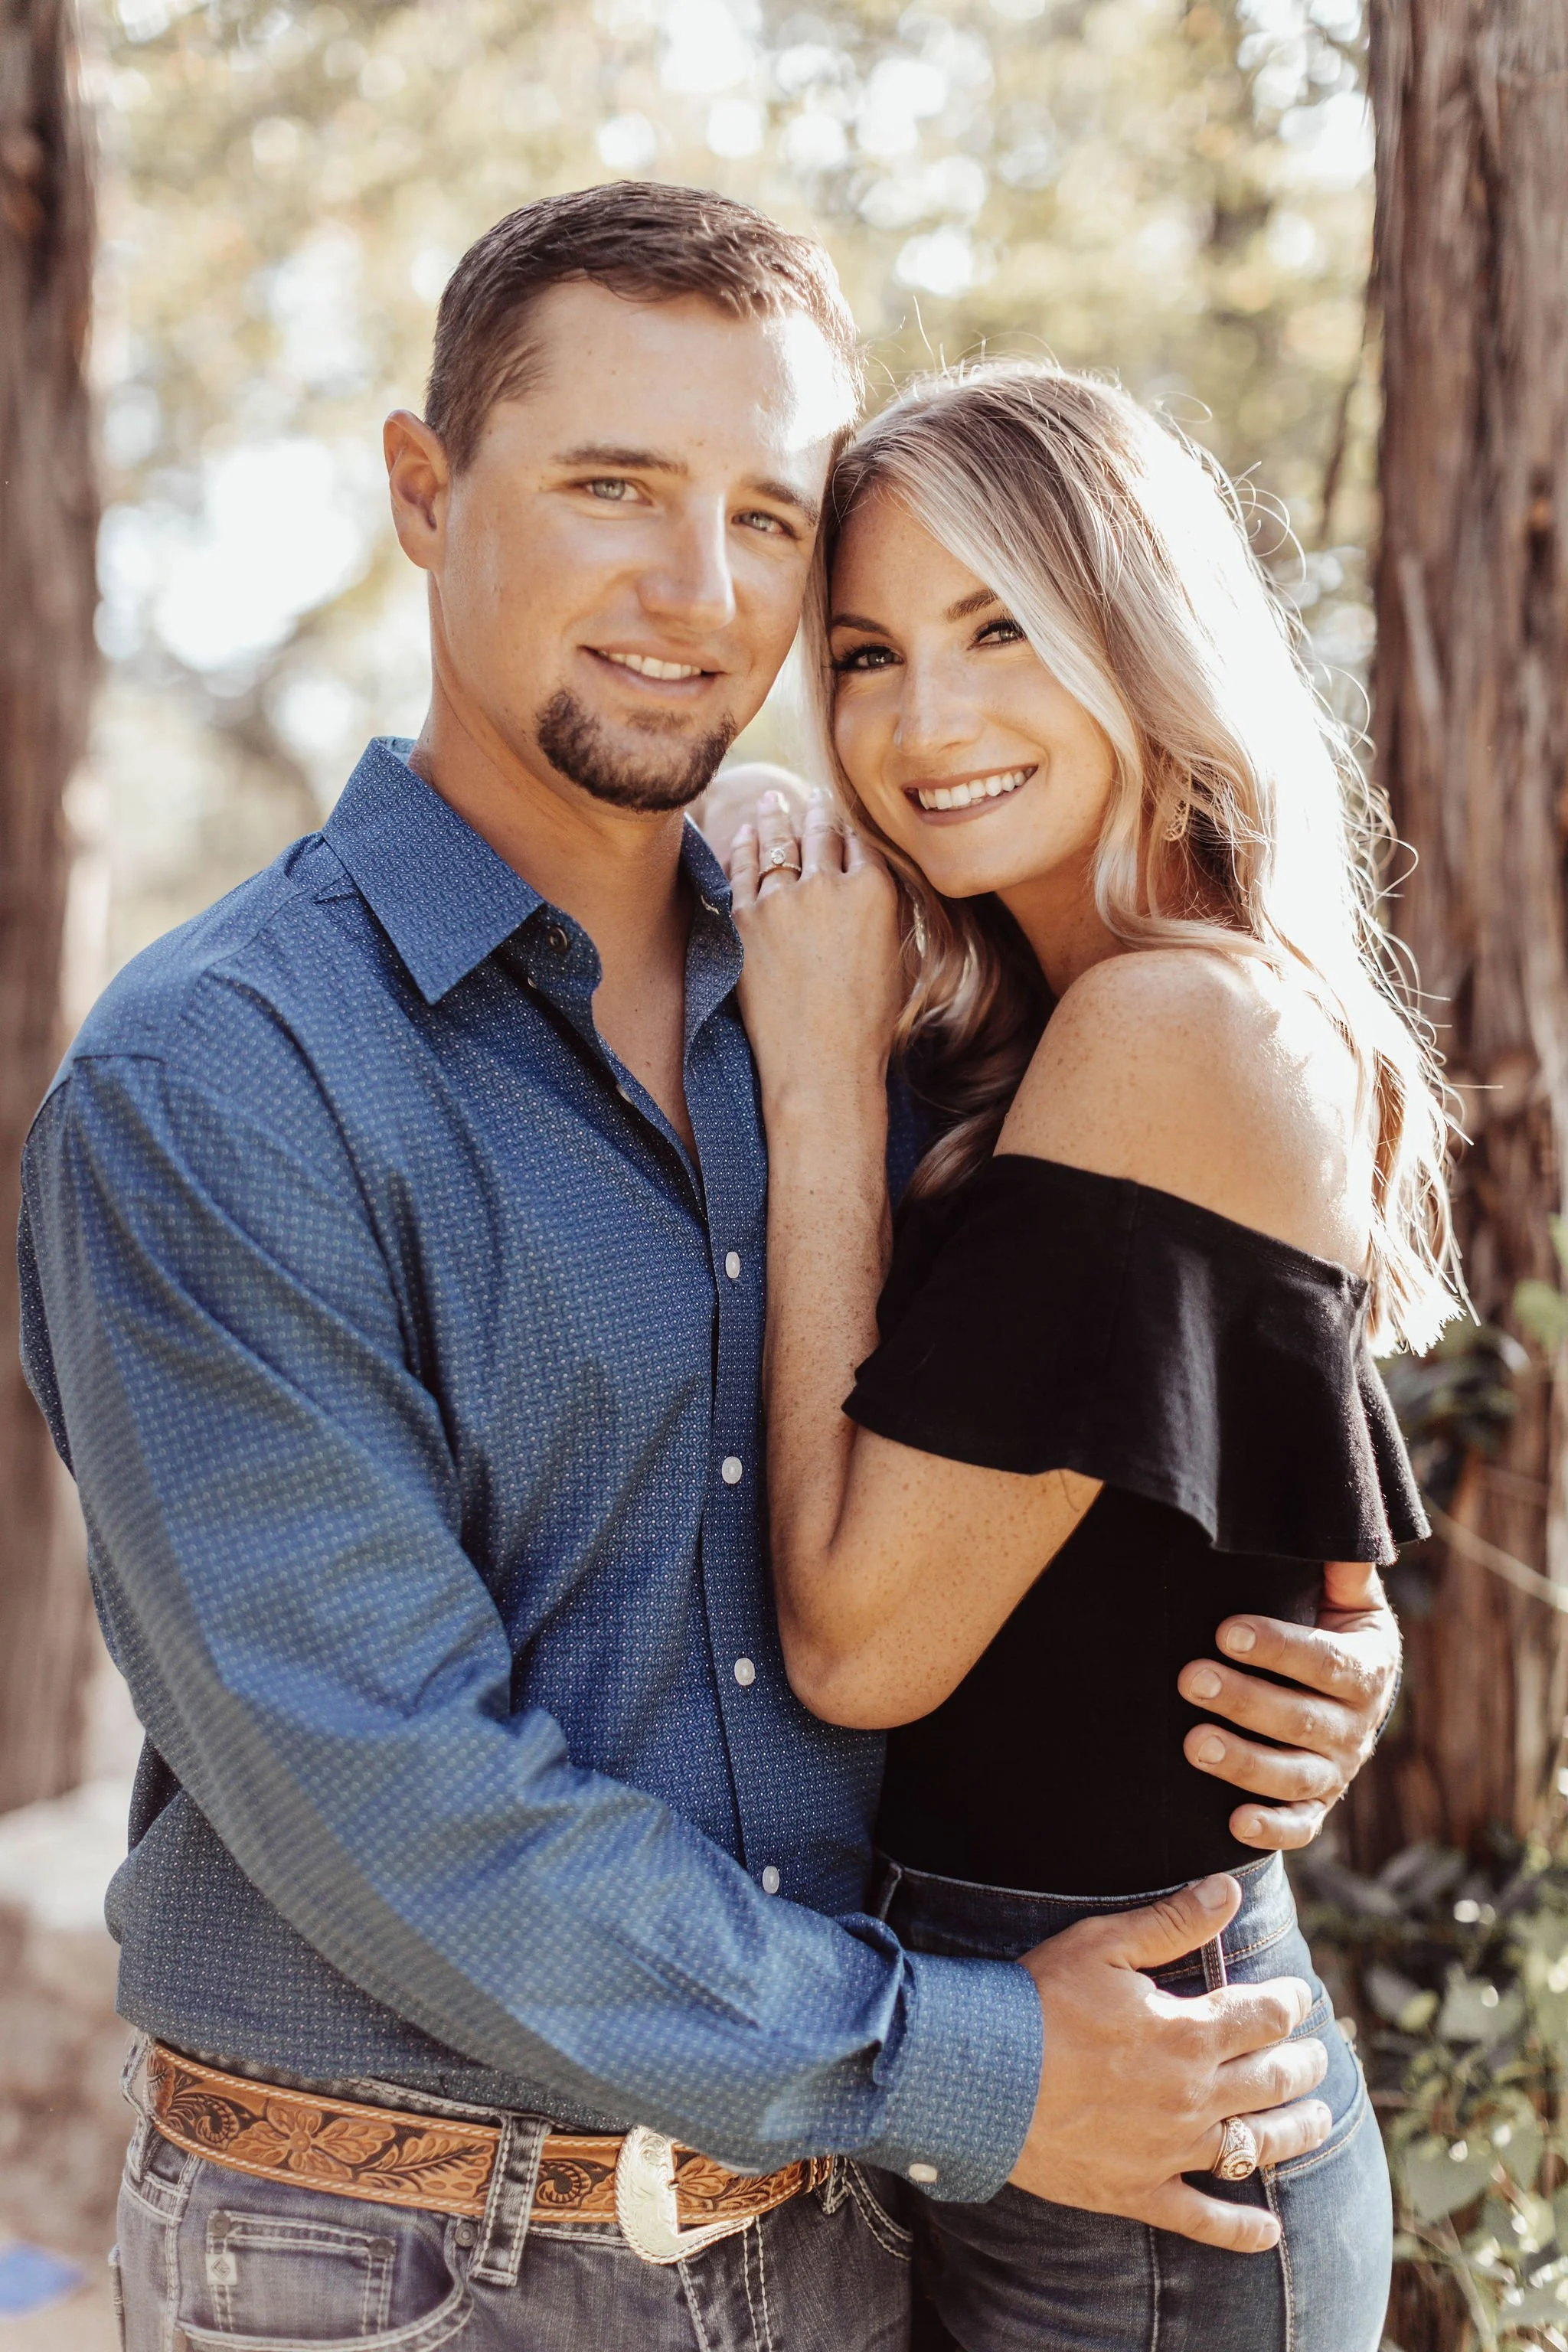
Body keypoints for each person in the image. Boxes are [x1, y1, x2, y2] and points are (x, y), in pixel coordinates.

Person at [18, 191, 1400, 2352]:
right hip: (397, 2269)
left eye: (770, 518)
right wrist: (981, 2066)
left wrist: (1296, 1632)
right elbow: (396, 1802)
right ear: (421, 489)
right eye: (612, 490)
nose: (699, 595)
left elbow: (1110, 1398)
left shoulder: (890, 989)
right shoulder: (226, 1079)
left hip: (849, 2242)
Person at [728, 360, 1455, 2350]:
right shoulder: (1036, 1025)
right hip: (1030, 2055)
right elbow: (1256, 1513)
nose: (926, 722)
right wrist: (1345, 1638)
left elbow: (861, 1646)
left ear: (1143, 632)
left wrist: (809, 1078)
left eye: (1002, 629)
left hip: (1139, 2105)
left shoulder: (1170, 1027)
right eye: (867, 653)